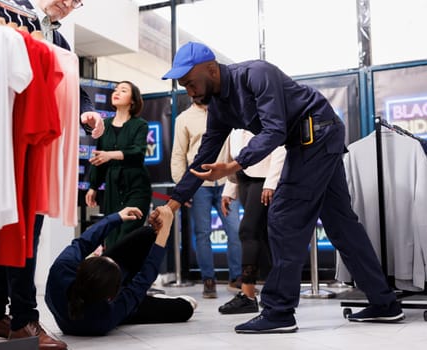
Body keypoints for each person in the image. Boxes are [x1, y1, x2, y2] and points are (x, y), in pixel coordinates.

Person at [154, 41, 404, 334]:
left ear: (210, 69)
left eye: (190, 82)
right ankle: (385, 303)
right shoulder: (220, 107)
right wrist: (171, 205)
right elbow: (204, 156)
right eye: (183, 85)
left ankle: (279, 311)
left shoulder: (256, 74)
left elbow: (275, 130)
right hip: (313, 141)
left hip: (316, 135)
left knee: (284, 218)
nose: (189, 90)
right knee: (342, 226)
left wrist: (234, 166)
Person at [0, 1, 104, 349]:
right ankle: (24, 320)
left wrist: (87, 113)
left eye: (78, 1)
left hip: (38, 143)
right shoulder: (8, 11)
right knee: (23, 230)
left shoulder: (59, 41)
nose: (71, 2)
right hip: (6, 135)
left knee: (23, 230)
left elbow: (76, 90)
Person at [44, 205, 195, 336]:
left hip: (98, 292)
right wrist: (165, 233)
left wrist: (116, 217)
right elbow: (142, 281)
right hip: (113, 308)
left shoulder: (60, 270)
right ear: (111, 297)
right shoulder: (105, 317)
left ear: (81, 268)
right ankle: (151, 299)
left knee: (147, 235)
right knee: (185, 308)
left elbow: (83, 242)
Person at [171, 100, 242, 298]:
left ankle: (237, 278)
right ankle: (208, 280)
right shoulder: (183, 119)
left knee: (235, 231)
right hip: (199, 184)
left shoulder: (226, 110)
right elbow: (178, 154)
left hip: (226, 180)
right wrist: (182, 189)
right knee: (202, 233)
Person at [218, 129, 286, 314]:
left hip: (263, 179)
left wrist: (271, 183)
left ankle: (247, 294)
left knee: (248, 231)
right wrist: (229, 189)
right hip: (243, 178)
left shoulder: (263, 109)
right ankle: (278, 291)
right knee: (260, 236)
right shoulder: (234, 120)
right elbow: (236, 155)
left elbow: (280, 147)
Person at [85, 80, 152, 249]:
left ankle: (129, 274)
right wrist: (93, 186)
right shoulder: (104, 125)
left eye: (123, 90)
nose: (117, 92)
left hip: (136, 187)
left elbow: (138, 153)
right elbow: (99, 159)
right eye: (116, 90)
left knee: (127, 235)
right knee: (112, 236)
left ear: (133, 100)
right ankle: (116, 275)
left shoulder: (140, 125)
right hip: (112, 189)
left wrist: (111, 155)